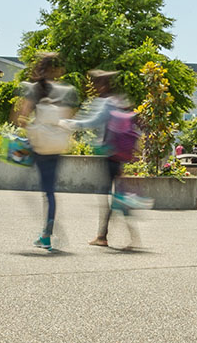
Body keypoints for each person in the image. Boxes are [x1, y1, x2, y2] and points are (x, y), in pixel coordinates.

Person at [60, 69, 142, 249]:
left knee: (108, 197)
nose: (93, 87)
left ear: (102, 85)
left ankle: (104, 236)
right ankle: (110, 234)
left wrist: (71, 124)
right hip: (118, 155)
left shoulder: (105, 103)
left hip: (110, 155)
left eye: (95, 84)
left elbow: (93, 121)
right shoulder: (118, 101)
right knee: (115, 196)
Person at [14, 52, 78, 251]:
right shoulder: (65, 91)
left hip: (40, 146)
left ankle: (46, 235)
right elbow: (67, 117)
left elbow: (21, 118)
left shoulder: (34, 89)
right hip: (56, 146)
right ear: (58, 70)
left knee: (31, 186)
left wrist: (33, 126)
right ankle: (47, 233)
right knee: (50, 191)